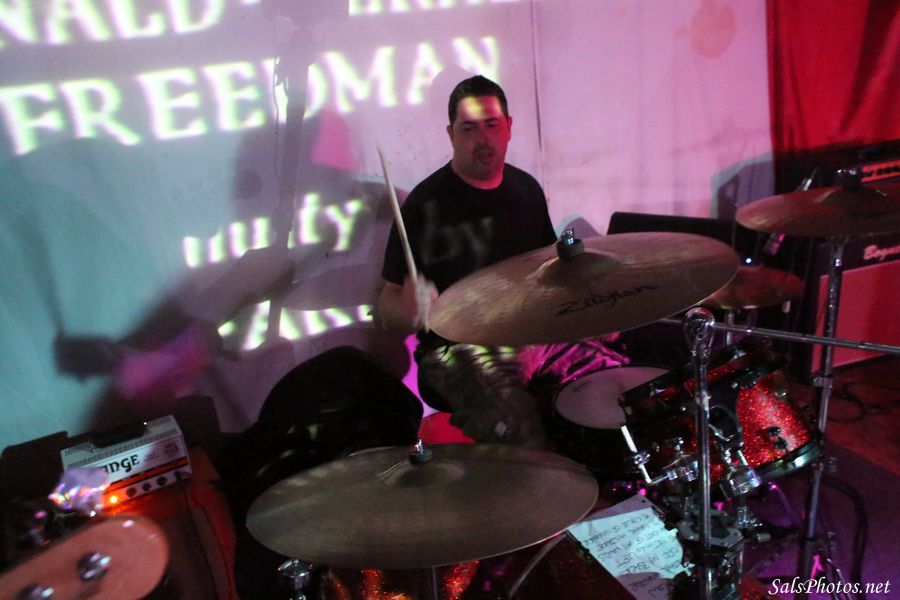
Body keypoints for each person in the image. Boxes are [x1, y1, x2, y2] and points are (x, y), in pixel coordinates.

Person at [377, 75, 626, 448]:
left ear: (508, 127)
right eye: (469, 128)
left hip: (533, 334)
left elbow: (548, 272)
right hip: (459, 349)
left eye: (492, 125)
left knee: (620, 387)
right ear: (451, 134)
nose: (483, 138)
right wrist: (409, 311)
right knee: (522, 431)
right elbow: (386, 306)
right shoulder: (424, 205)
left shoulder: (526, 189)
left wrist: (589, 313)